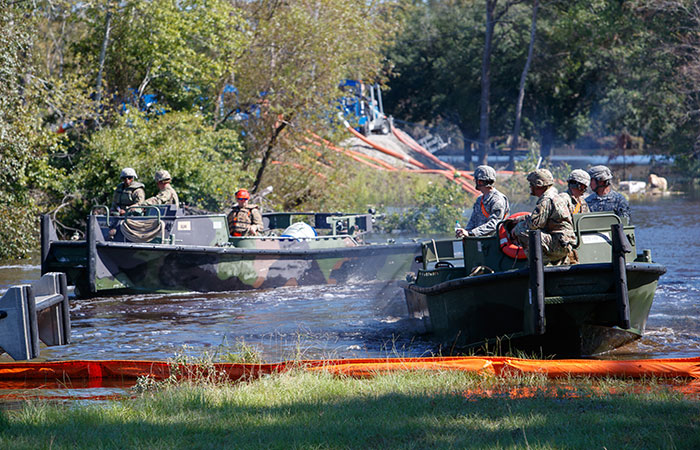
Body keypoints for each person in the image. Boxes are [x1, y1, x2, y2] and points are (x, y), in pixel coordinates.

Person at [511, 169, 576, 265]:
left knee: (521, 229)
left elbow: (534, 224)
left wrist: (517, 226)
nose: (530, 187)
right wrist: (523, 218)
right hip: (563, 242)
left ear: (538, 184)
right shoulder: (555, 196)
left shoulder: (546, 200)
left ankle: (542, 264)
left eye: (531, 184)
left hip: (559, 243)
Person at [455, 165, 510, 237]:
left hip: (495, 241)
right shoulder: (480, 199)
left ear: (480, 182)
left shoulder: (497, 200)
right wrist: (465, 232)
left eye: (477, 181)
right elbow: (473, 221)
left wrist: (472, 233)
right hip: (480, 240)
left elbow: (494, 224)